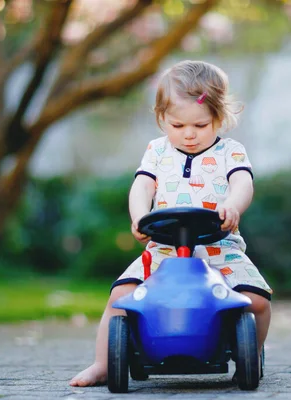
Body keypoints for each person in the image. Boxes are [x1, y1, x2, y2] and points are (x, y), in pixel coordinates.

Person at [69, 60, 272, 387]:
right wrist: (139, 215)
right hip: (164, 250)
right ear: (162, 118)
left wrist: (232, 205)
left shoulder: (230, 153)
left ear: (219, 118)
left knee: (258, 300)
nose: (189, 134)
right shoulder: (157, 152)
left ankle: (248, 354)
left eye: (201, 125)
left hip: (218, 248)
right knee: (122, 295)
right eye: (178, 126)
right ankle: (103, 364)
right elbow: (143, 186)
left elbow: (243, 183)